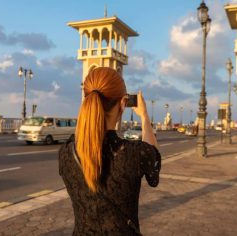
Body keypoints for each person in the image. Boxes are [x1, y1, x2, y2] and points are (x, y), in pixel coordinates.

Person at [58, 67, 161, 235]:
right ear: (122, 104)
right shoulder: (134, 154)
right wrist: (144, 116)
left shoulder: (66, 153)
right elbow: (154, 163)